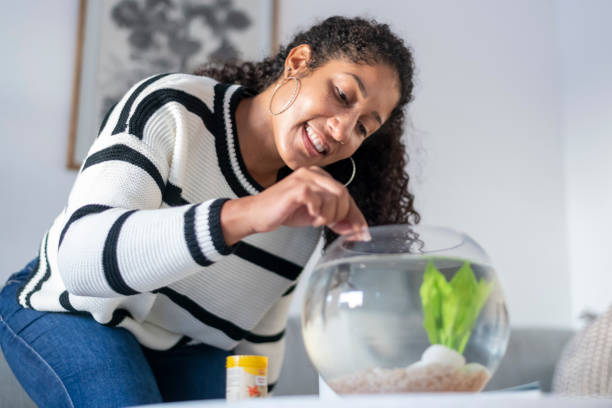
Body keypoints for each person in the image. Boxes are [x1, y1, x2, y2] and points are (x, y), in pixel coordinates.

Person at [0, 16, 420, 407]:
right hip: (71, 309)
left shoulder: (306, 209)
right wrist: (249, 214)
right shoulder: (173, 109)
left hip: (181, 347)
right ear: (297, 63)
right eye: (343, 95)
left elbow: (260, 336)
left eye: (365, 126)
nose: (343, 130)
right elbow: (80, 262)